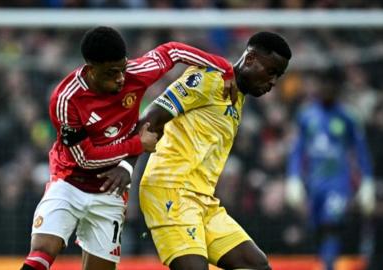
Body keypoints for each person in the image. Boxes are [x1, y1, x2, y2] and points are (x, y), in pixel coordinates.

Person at [20, 26, 236, 270]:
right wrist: (138, 144)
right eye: (112, 73)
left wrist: (225, 68)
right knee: (44, 249)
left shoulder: (136, 73)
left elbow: (173, 51)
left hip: (110, 192)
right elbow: (85, 158)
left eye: (122, 68)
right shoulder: (66, 99)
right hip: (70, 182)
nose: (121, 78)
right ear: (91, 70)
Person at [139, 32, 291, 270]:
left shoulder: (237, 95)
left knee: (256, 265)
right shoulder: (209, 79)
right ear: (250, 59)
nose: (273, 82)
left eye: (278, 76)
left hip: (203, 200)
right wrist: (124, 170)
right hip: (171, 190)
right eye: (271, 72)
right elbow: (149, 120)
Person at [285, 70, 375, 270]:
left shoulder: (348, 117)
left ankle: (329, 266)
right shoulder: (306, 115)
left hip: (338, 183)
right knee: (315, 228)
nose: (326, 90)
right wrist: (293, 178)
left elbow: (361, 151)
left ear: (337, 89)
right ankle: (326, 262)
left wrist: (367, 181)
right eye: (322, 85)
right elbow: (297, 150)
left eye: (330, 86)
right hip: (314, 183)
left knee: (331, 226)